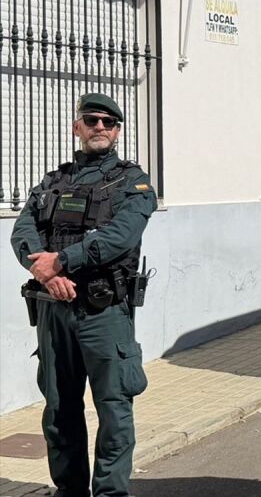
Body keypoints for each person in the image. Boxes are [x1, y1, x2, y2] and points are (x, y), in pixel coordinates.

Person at [10, 93, 157, 497]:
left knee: (113, 409)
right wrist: (43, 272)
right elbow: (24, 229)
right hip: (54, 310)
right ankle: (68, 490)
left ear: (117, 132)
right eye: (91, 120)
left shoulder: (133, 182)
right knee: (59, 410)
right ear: (77, 127)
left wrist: (60, 263)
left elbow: (119, 237)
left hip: (104, 312)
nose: (100, 128)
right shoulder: (54, 181)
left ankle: (110, 492)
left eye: (108, 123)